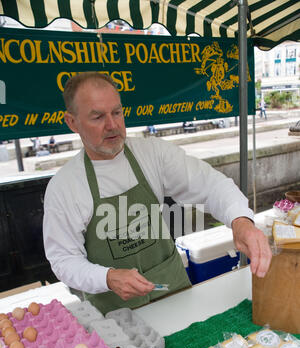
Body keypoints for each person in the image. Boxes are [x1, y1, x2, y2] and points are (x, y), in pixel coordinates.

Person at [43, 72, 272, 315]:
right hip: (116, 317)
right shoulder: (65, 187)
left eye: (117, 112)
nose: (112, 125)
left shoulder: (152, 154)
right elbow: (64, 259)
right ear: (72, 122)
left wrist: (241, 221)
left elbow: (211, 185)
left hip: (173, 295)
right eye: (97, 117)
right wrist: (107, 277)